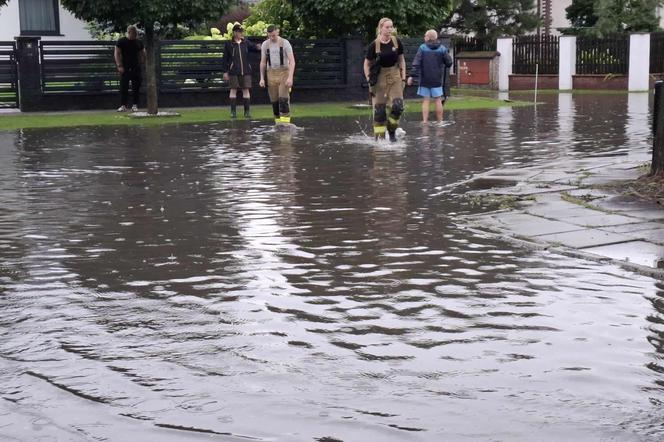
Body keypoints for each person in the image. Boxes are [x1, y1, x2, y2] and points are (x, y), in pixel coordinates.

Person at [363, 17, 406, 142]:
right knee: (380, 111)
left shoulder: (396, 42)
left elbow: (401, 60)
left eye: (391, 27)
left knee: (398, 106)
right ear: (380, 28)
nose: (390, 29)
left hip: (395, 75)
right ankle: (379, 140)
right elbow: (366, 64)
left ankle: (392, 130)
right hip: (379, 77)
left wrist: (403, 78)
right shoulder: (374, 45)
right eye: (387, 27)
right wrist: (368, 79)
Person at [407, 30, 453, 123]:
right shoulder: (442, 48)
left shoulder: (422, 48)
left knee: (426, 100)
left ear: (428, 37)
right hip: (437, 79)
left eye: (425, 36)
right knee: (438, 100)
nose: (424, 37)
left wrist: (411, 76)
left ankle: (425, 121)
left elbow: (416, 63)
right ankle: (440, 121)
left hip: (424, 79)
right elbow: (449, 62)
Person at [221, 23, 261, 118]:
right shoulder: (228, 44)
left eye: (241, 32)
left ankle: (247, 112)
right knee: (233, 90)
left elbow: (255, 48)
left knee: (246, 90)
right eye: (239, 32)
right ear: (234, 33)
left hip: (246, 71)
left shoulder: (246, 42)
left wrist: (261, 46)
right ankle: (233, 112)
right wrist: (225, 72)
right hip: (233, 71)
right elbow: (225, 59)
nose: (241, 33)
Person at [259, 25, 296, 124]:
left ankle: (286, 125)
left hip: (284, 72)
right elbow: (263, 62)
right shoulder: (265, 45)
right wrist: (262, 78)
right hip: (271, 73)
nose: (272, 38)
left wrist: (290, 78)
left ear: (278, 32)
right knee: (274, 101)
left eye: (274, 35)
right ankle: (278, 124)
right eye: (270, 36)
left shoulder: (285, 43)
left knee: (283, 99)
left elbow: (292, 61)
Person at [114, 25, 146, 112]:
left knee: (136, 87)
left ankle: (135, 105)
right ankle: (123, 105)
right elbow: (116, 53)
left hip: (136, 67)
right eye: (133, 34)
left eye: (136, 34)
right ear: (128, 33)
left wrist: (143, 61)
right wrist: (119, 65)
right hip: (125, 67)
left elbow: (143, 52)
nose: (134, 36)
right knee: (124, 87)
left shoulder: (138, 42)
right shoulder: (121, 41)